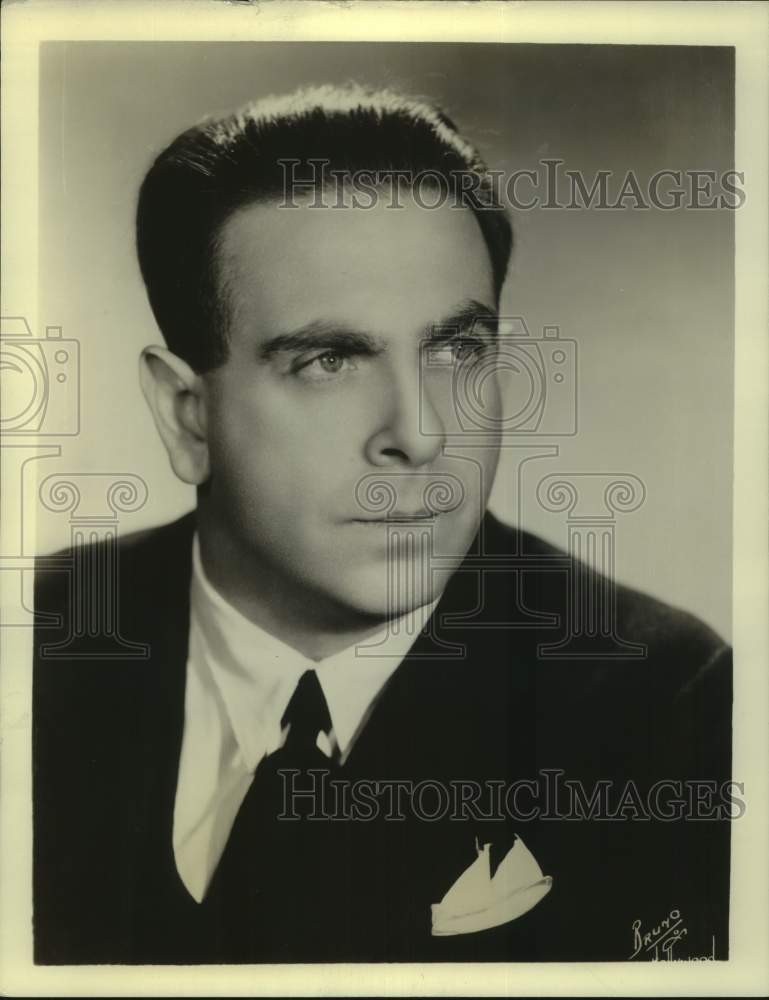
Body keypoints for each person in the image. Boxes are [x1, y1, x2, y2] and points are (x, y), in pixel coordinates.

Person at [33, 84, 732, 964]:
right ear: (186, 415)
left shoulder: (666, 709)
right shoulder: (38, 641)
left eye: (457, 350)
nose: (420, 434)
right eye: (329, 360)